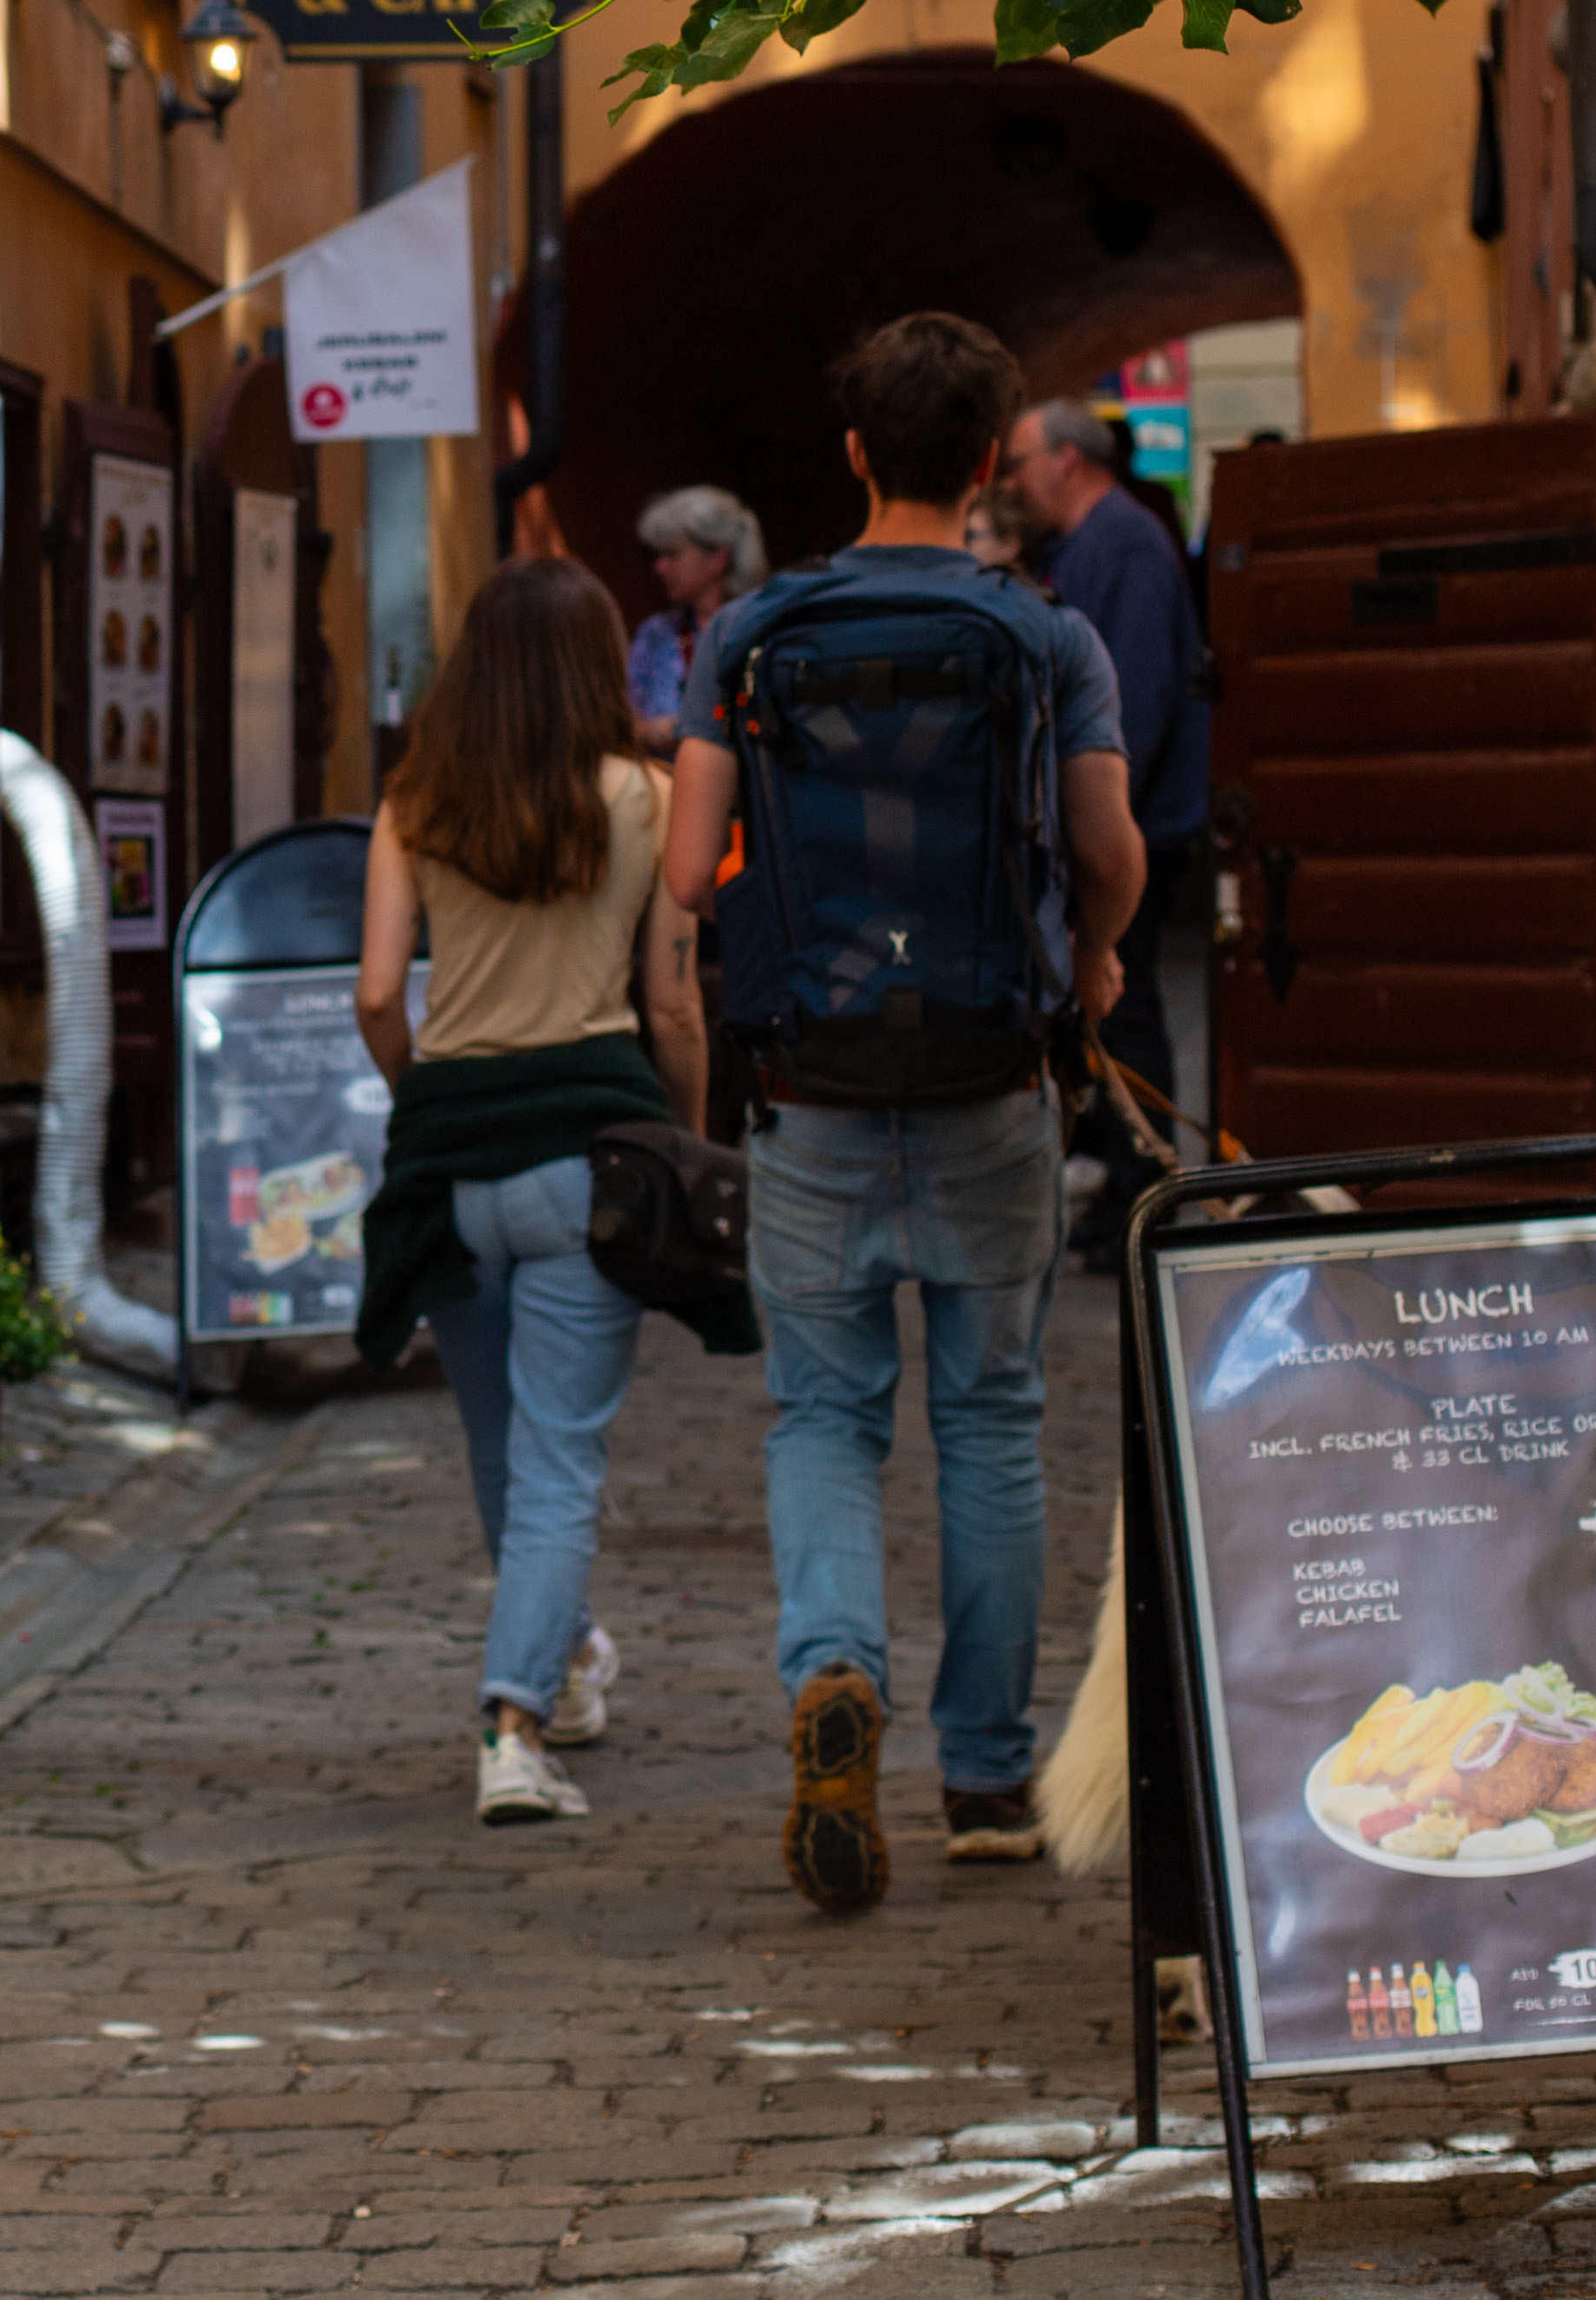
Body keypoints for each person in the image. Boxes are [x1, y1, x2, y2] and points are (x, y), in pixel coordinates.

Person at [663, 315, 1144, 1912]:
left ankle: (831, 1670)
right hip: (989, 1079)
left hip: (805, 1085)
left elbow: (680, 873)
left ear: (853, 452)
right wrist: (1094, 959)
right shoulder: (1042, 634)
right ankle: (988, 1776)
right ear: (992, 457)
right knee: (990, 1415)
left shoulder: (747, 632)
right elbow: (1106, 847)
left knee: (820, 1415)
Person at [352, 561, 711, 1829]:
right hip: (583, 1158)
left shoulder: (416, 802)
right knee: (559, 1461)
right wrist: (688, 1139)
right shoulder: (649, 798)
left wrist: (422, 1094)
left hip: (450, 1165)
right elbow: (671, 1001)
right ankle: (514, 1725)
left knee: (503, 1448)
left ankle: (561, 1657)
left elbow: (377, 994)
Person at [1000, 397, 1213, 1233]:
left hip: (1135, 820)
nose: (1013, 482)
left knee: (1125, 1004)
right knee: (1114, 1002)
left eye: (1019, 462)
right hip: (1126, 814)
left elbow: (1133, 700)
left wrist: (1096, 815)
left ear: (1066, 459)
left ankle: (1145, 1198)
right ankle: (1130, 1186)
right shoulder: (1098, 542)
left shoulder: (1120, 544)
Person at [626, 486, 769, 757]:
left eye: (673, 555)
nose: (660, 567)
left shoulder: (760, 628)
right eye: (657, 555)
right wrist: (650, 732)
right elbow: (623, 727)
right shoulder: (656, 634)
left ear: (718, 558)